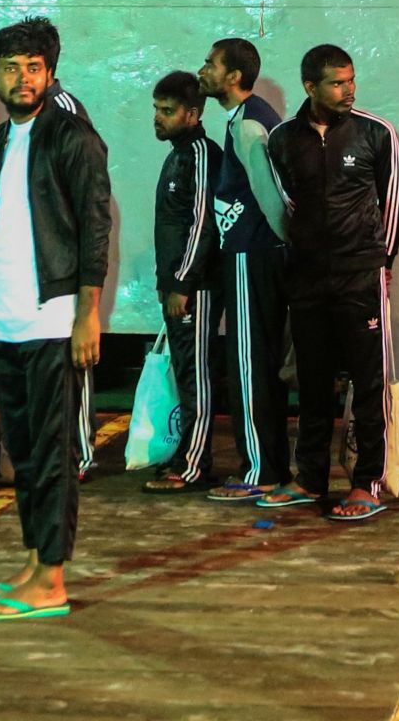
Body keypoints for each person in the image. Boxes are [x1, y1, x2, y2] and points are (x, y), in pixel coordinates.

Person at [0, 17, 110, 621]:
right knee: (23, 454)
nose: (22, 78)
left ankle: (51, 580)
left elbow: (95, 226)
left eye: (33, 67)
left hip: (53, 317)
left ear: (50, 74)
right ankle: (33, 562)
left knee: (53, 454)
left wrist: (88, 313)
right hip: (7, 319)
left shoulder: (72, 137)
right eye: (10, 67)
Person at [262, 44, 399, 522]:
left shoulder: (376, 133)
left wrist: (384, 262)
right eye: (337, 82)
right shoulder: (282, 140)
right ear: (310, 87)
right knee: (313, 382)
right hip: (306, 278)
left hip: (360, 274)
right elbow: (287, 204)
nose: (349, 90)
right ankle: (310, 478)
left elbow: (392, 200)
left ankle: (367, 483)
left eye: (351, 80)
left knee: (368, 383)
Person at [197, 36, 287, 501]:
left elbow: (271, 197)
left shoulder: (250, 126)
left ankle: (260, 471)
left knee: (250, 364)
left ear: (233, 77)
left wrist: (284, 245)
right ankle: (265, 464)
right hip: (251, 255)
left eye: (210, 64)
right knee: (255, 363)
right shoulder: (246, 120)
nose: (202, 71)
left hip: (252, 256)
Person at [146, 69, 231, 492]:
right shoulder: (178, 153)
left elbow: (203, 224)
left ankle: (193, 465)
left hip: (195, 289)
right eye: (156, 110)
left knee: (196, 374)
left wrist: (182, 283)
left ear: (193, 114)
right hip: (180, 286)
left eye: (167, 111)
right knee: (185, 373)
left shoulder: (200, 154)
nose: (157, 118)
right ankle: (186, 456)